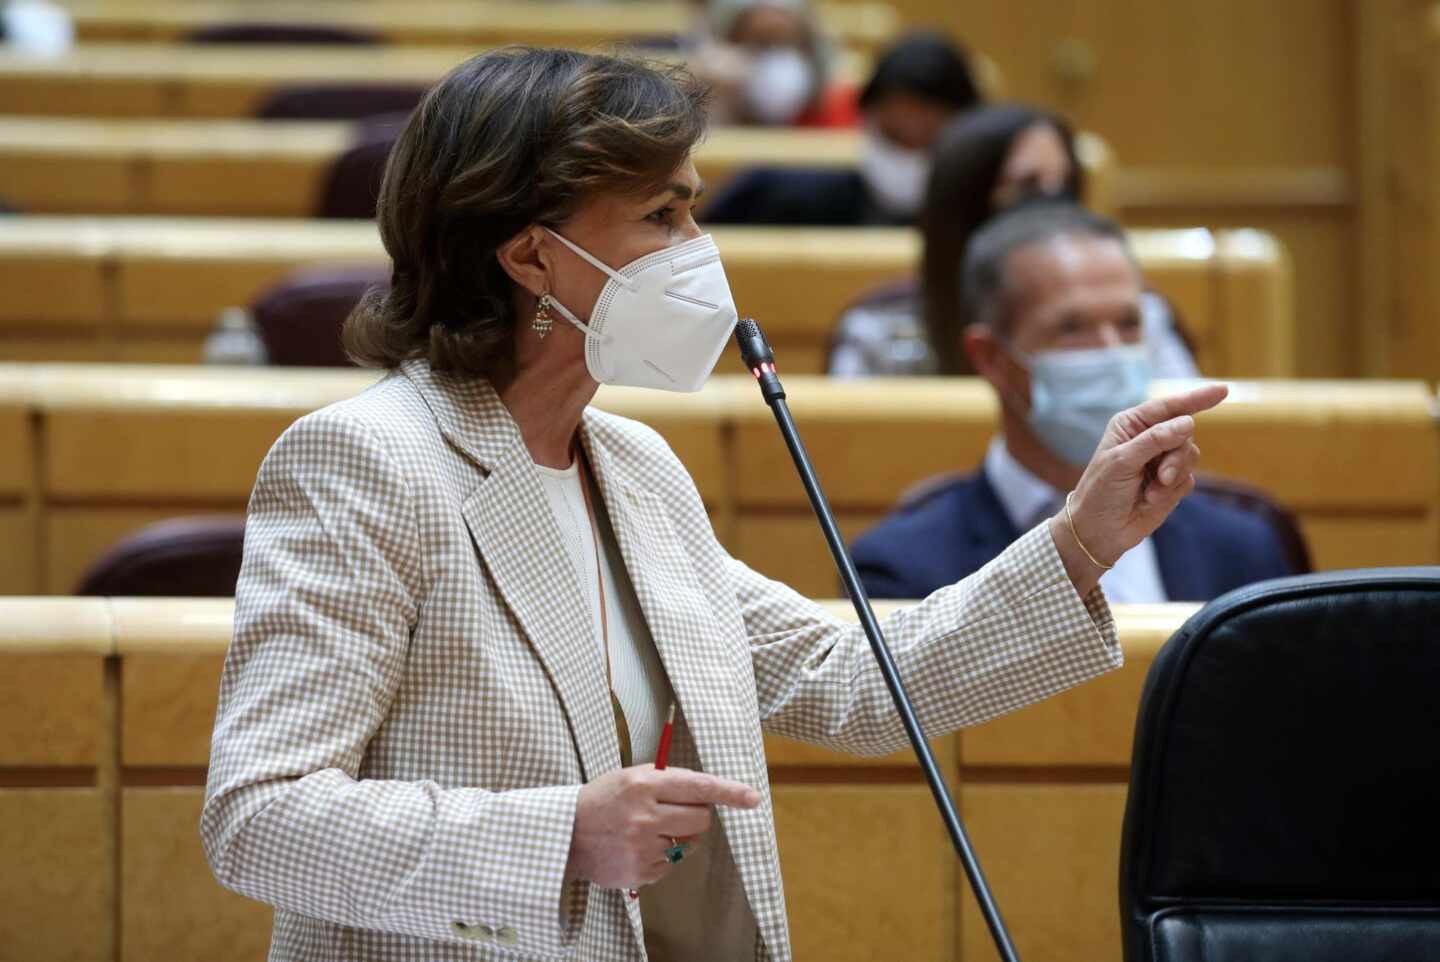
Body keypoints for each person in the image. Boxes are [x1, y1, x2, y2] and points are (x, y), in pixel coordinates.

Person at [201, 48, 1223, 962]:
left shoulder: (636, 469)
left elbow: (850, 681)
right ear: (529, 255)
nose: (699, 246)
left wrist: (1082, 541)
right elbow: (260, 815)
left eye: (691, 205)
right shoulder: (366, 461)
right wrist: (561, 832)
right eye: (662, 216)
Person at [852, 201, 1294, 604]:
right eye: (1072, 328)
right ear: (992, 358)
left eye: (1128, 324)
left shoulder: (1244, 547)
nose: (1110, 352)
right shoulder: (903, 566)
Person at [827, 104, 1199, 378]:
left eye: (1065, 186)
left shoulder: (1137, 319)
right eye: (1027, 187)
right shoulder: (876, 333)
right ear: (965, 202)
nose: (1053, 207)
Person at [702, 30, 981, 225]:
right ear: (866, 117)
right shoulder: (777, 194)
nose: (910, 149)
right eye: (895, 135)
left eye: (928, 138)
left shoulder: (989, 210)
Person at [686, 0, 851, 128]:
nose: (773, 58)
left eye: (783, 42)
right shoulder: (703, 100)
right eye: (760, 43)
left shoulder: (836, 108)